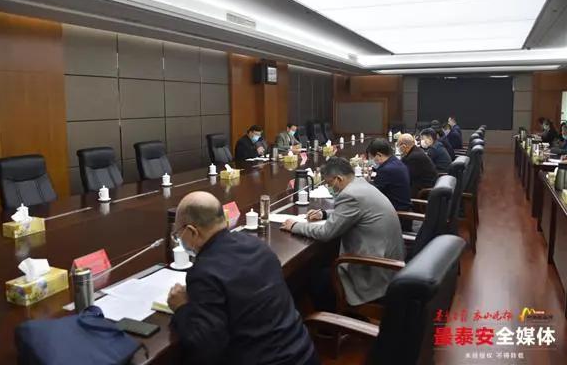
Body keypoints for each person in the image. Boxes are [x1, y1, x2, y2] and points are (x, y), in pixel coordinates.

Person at [168, 192, 319, 365]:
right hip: (305, 355)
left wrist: (181, 308)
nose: (179, 239)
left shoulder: (204, 272)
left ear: (192, 231)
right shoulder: (257, 245)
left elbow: (205, 348)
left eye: (178, 234)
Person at [280, 157, 404, 311]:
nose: (330, 188)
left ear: (338, 179)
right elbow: (354, 212)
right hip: (387, 262)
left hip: (372, 272)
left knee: (312, 277)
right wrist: (325, 214)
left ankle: (329, 320)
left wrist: (295, 226)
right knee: (321, 263)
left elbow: (326, 233)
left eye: (329, 183)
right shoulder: (360, 185)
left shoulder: (350, 195)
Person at [367, 138, 411, 212]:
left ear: (379, 155)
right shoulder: (396, 162)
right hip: (402, 207)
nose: (373, 160)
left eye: (372, 158)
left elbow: (373, 193)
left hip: (396, 212)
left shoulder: (386, 170)